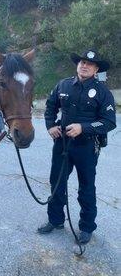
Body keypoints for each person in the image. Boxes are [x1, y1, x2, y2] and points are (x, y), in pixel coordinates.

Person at [38, 50, 116, 244]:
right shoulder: (63, 84)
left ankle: (87, 227)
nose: (84, 65)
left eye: (90, 64)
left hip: (87, 147)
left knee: (86, 188)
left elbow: (109, 122)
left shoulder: (103, 92)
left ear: (96, 69)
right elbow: (50, 107)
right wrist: (50, 125)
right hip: (62, 144)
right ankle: (55, 220)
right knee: (56, 183)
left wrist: (84, 127)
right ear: (78, 64)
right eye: (82, 62)